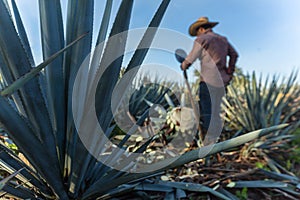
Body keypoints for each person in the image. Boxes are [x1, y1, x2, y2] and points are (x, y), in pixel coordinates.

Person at [181, 17, 238, 146]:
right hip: (222, 82)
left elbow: (191, 58)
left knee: (207, 109)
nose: (197, 34)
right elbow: (234, 55)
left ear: (201, 29)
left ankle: (210, 142)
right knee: (217, 109)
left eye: (197, 32)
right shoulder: (223, 39)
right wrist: (229, 72)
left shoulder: (202, 39)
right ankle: (218, 138)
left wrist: (183, 65)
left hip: (208, 81)